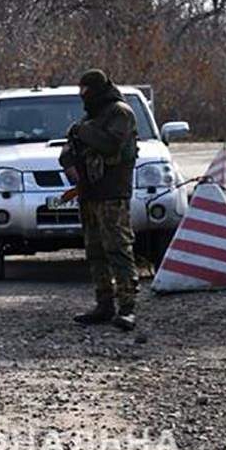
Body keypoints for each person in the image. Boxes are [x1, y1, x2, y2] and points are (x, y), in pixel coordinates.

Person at [60, 69, 139, 331]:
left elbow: (110, 144)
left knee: (118, 248)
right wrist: (70, 164)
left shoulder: (119, 113)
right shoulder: (91, 117)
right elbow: (68, 150)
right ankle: (104, 304)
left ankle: (127, 307)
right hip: (89, 193)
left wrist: (82, 131)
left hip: (112, 192)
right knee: (95, 251)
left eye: (86, 90)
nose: (83, 95)